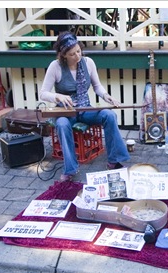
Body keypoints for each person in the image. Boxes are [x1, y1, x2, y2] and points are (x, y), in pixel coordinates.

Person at [40, 31, 130, 182]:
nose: (77, 56)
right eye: (72, 54)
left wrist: (107, 97)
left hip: (85, 109)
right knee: (61, 124)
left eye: (78, 51)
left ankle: (113, 161)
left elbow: (97, 86)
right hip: (65, 111)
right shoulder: (55, 67)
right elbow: (42, 93)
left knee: (109, 115)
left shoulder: (88, 62)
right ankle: (70, 169)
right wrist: (57, 96)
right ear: (63, 55)